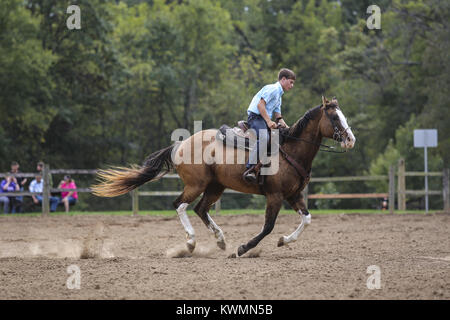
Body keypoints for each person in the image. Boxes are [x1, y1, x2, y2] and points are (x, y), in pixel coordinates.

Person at [243, 68, 295, 183]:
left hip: (263, 119)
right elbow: (260, 106)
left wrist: (289, 129)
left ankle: (266, 169)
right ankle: (250, 168)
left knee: (279, 138)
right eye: (291, 82)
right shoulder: (273, 89)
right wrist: (268, 122)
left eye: (293, 83)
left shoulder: (279, 96)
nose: (292, 86)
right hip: (255, 118)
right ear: (283, 79)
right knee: (264, 137)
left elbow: (278, 117)